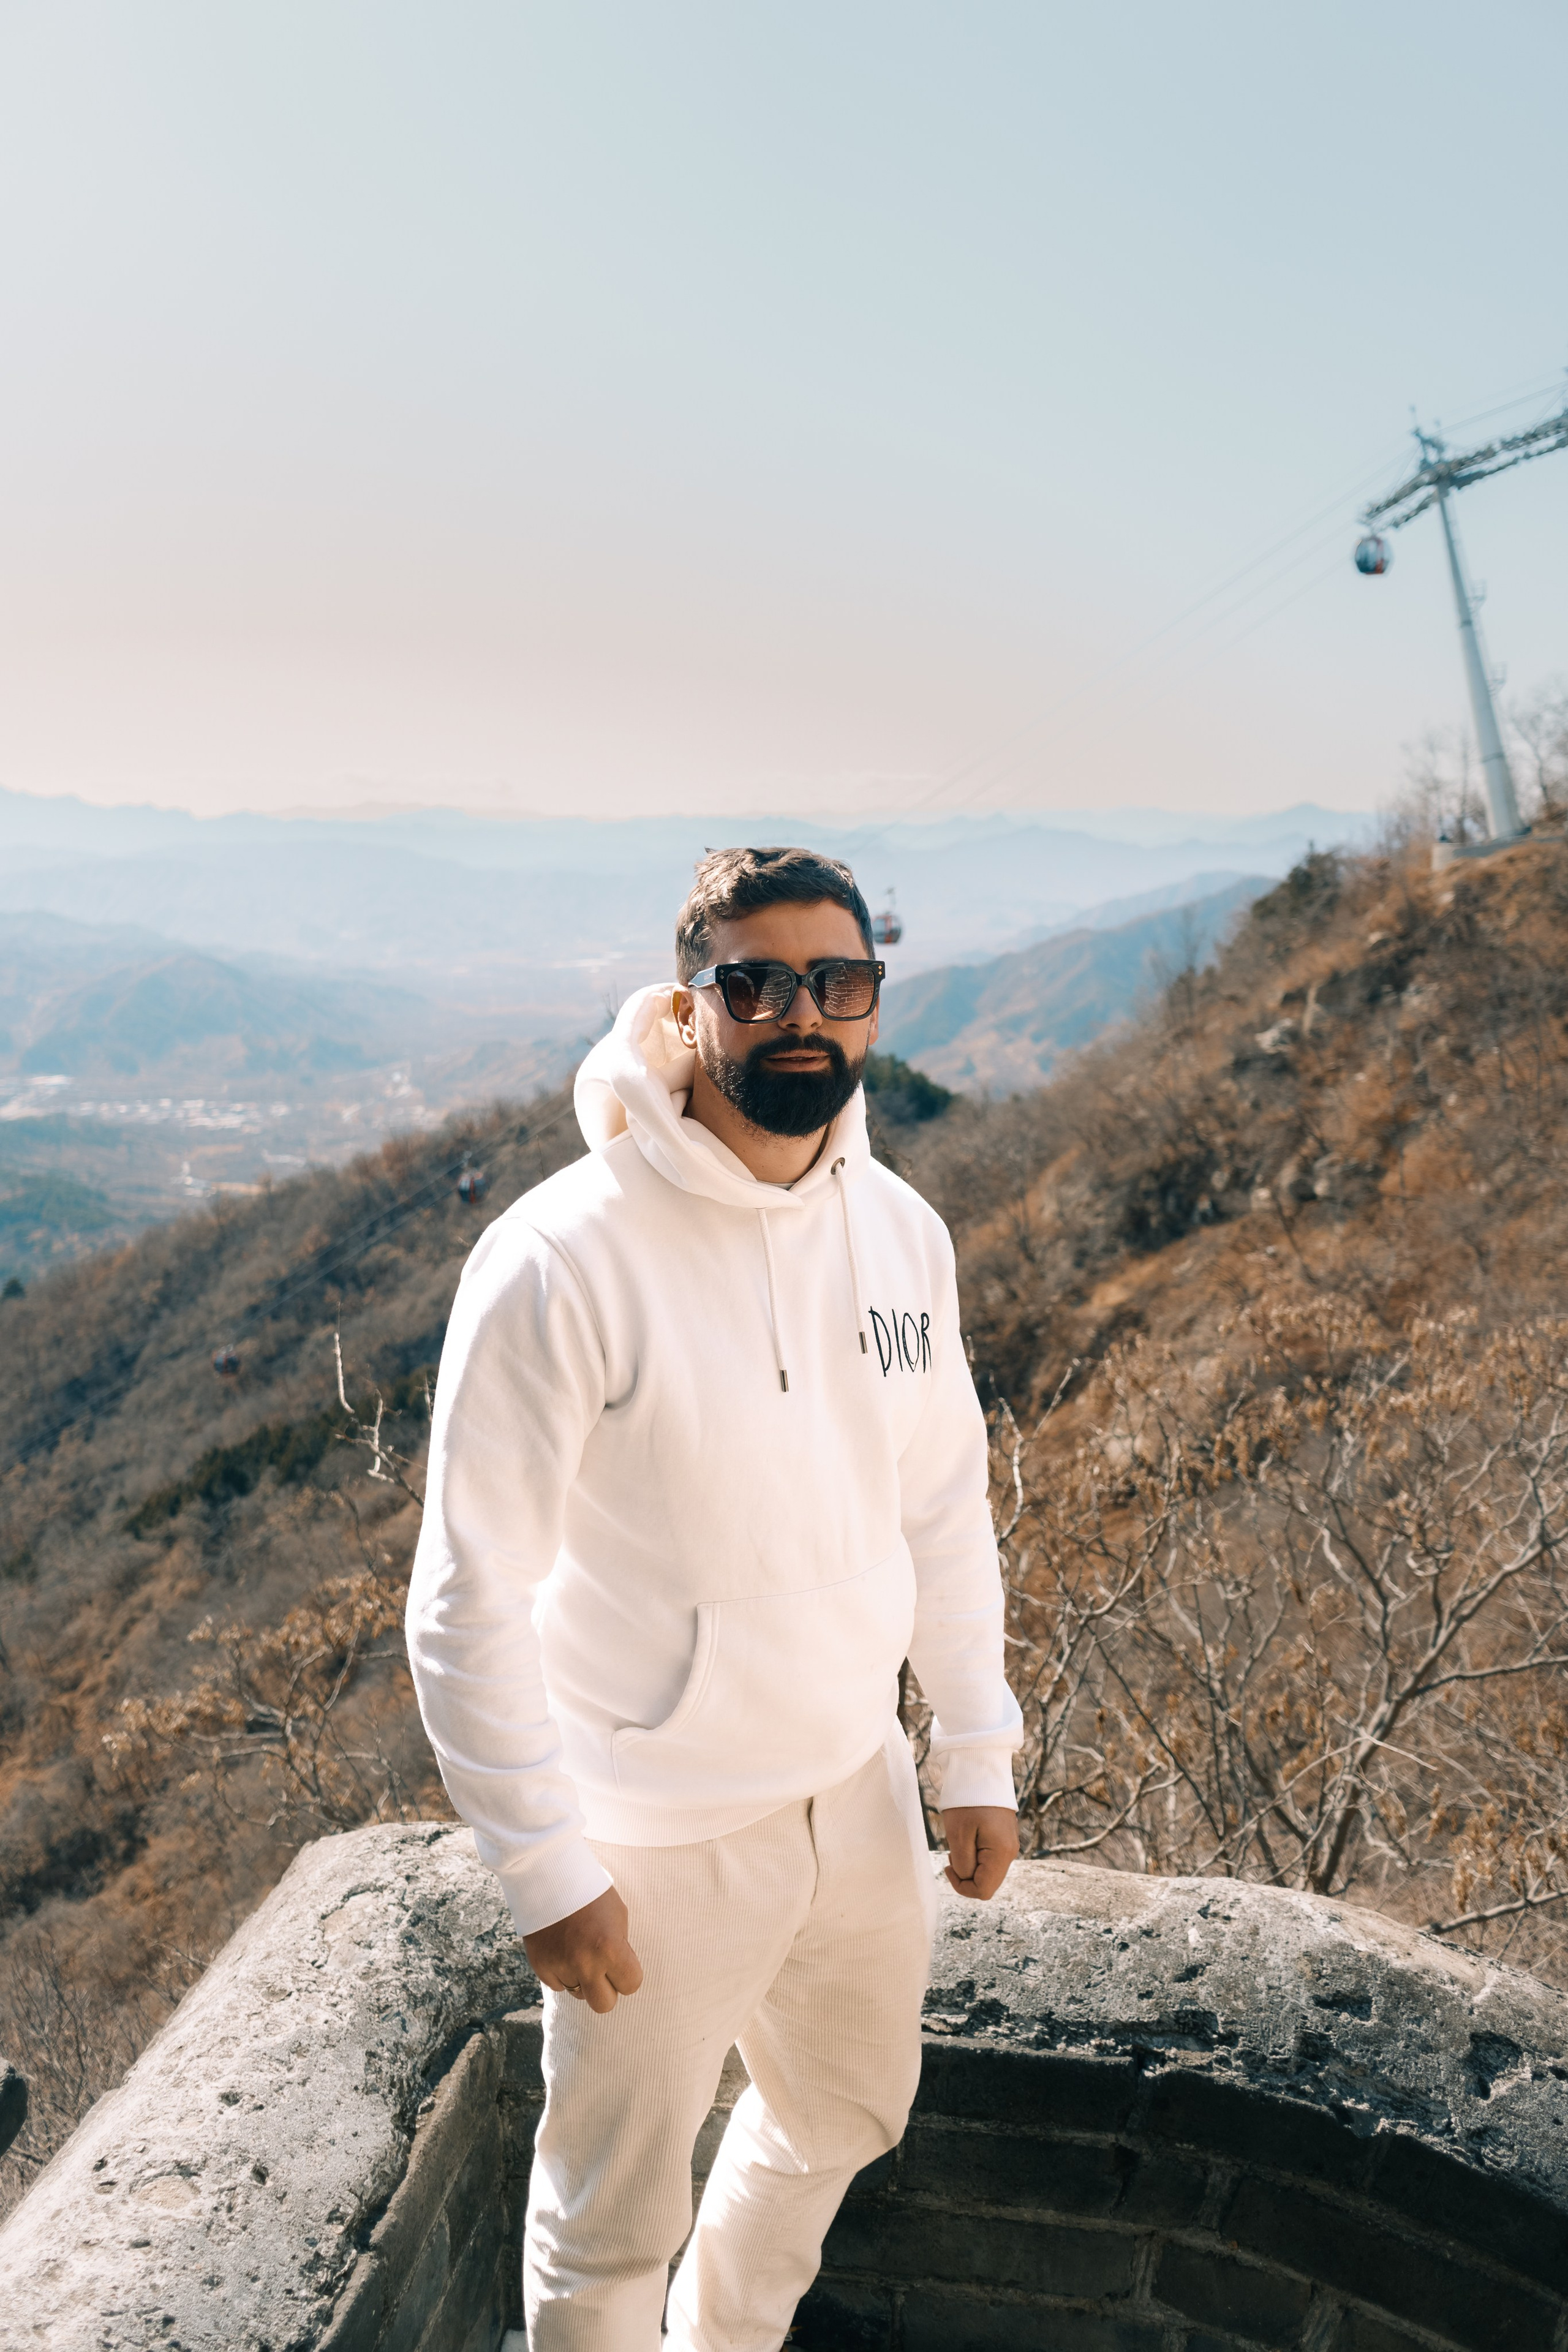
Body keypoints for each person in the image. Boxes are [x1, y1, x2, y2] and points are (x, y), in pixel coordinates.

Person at [407, 845, 1023, 2351]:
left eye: (837, 980)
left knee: (843, 2116)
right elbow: (468, 1593)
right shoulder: (560, 1256)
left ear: (872, 1001)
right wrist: (543, 1870)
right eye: (754, 983)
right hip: (656, 1831)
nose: (800, 1012)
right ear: (688, 1010)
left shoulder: (901, 1232)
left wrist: (972, 1751)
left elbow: (942, 1508)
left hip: (858, 1797)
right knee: (609, 2224)